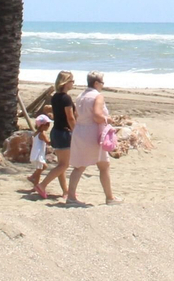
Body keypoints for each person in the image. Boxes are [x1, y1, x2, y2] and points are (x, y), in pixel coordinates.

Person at [65, 71, 120, 205]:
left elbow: (78, 115)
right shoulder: (97, 96)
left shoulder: (80, 96)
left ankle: (71, 196)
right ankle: (109, 197)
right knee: (104, 165)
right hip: (93, 133)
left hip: (80, 131)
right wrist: (109, 119)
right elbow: (96, 115)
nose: (102, 85)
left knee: (79, 166)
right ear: (96, 83)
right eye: (102, 83)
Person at [36, 72, 76, 200]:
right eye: (72, 81)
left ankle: (65, 191)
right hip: (64, 133)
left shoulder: (55, 97)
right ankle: (42, 185)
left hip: (56, 132)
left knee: (61, 164)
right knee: (64, 165)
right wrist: (76, 131)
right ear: (66, 82)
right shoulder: (66, 98)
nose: (73, 83)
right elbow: (70, 117)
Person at [27, 114, 52, 196]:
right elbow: (48, 142)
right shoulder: (42, 134)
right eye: (47, 125)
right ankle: (35, 185)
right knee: (39, 171)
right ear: (42, 126)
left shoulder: (35, 133)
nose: (49, 126)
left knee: (43, 167)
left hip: (36, 154)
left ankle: (32, 178)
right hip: (38, 155)